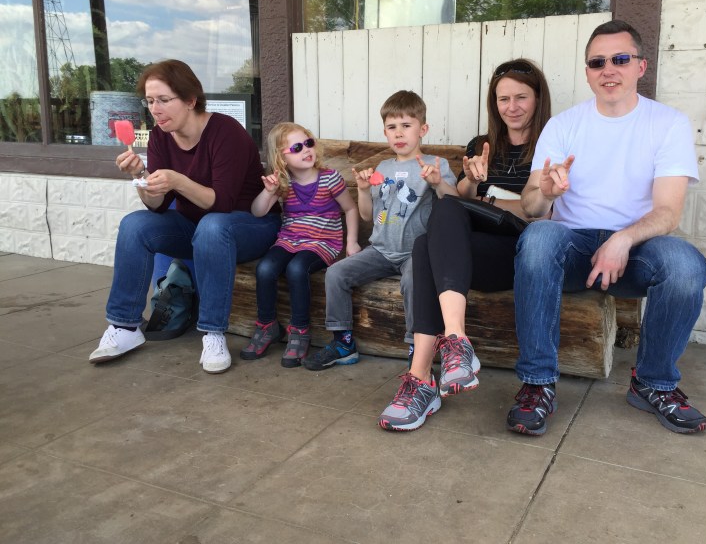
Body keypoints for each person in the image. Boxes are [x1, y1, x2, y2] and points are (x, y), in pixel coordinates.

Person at [507, 20, 706, 436]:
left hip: (636, 250)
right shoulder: (563, 126)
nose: (608, 70)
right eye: (597, 62)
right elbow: (530, 208)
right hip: (575, 249)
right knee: (539, 237)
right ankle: (538, 384)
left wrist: (623, 238)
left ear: (641, 66)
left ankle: (653, 383)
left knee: (686, 265)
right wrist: (545, 192)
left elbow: (668, 212)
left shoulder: (667, 124)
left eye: (620, 59)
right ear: (587, 72)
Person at [378, 59, 552, 431]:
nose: (512, 106)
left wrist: (487, 200)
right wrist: (473, 183)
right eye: (503, 98)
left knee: (432, 235)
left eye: (521, 97)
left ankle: (426, 374)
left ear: (538, 99)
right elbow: (459, 198)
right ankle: (446, 352)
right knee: (433, 232)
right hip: (474, 251)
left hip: (524, 251)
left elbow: (542, 212)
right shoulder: (482, 144)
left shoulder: (553, 142)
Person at [88, 59, 280, 374]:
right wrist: (141, 177)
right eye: (150, 101)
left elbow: (222, 203)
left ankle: (212, 332)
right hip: (199, 228)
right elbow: (158, 206)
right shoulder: (161, 136)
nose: (155, 109)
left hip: (250, 226)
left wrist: (177, 180)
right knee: (135, 225)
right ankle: (125, 327)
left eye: (164, 100)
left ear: (190, 100)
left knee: (213, 225)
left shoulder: (225, 131)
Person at [303, 90, 458, 371]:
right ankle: (343, 342)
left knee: (414, 283)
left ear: (422, 129)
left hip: (416, 253)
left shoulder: (436, 165)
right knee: (337, 273)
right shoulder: (383, 168)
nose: (399, 133)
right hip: (381, 251)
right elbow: (366, 215)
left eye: (406, 126)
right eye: (391, 127)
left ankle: (416, 349)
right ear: (385, 132)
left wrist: (437, 183)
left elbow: (453, 202)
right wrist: (363, 190)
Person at [240, 123, 361, 367]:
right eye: (296, 148)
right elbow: (258, 211)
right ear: (281, 158)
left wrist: (352, 242)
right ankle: (267, 326)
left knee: (296, 269)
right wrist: (268, 192)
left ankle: (300, 330)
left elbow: (350, 208)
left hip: (324, 242)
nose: (306, 150)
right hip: (289, 239)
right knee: (265, 269)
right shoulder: (283, 183)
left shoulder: (330, 179)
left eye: (308, 143)